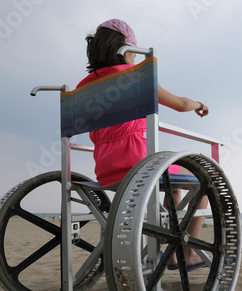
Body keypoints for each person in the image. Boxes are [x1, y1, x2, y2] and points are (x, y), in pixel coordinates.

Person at [77, 19, 208, 271]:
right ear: (126, 50)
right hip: (140, 166)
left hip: (106, 170)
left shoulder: (84, 87)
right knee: (198, 178)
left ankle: (170, 249)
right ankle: (187, 252)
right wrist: (200, 105)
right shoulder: (135, 76)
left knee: (175, 190)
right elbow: (180, 104)